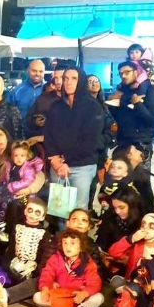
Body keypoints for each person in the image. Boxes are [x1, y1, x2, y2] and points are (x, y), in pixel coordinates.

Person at [44, 66, 104, 210]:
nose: (68, 82)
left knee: (77, 209)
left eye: (73, 78)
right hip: (57, 166)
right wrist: (55, 160)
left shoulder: (93, 107)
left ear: (81, 81)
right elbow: (48, 135)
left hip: (82, 166)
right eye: (66, 78)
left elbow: (91, 141)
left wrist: (64, 160)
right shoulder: (56, 107)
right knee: (58, 209)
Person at [32, 229, 104, 307]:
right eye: (65, 243)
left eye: (72, 243)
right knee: (37, 296)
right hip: (60, 296)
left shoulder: (88, 263)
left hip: (78, 299)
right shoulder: (56, 258)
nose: (68, 246)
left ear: (81, 247)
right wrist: (45, 289)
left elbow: (95, 283)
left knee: (99, 297)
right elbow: (47, 274)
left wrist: (84, 293)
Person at [110, 59, 154, 157]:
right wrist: (111, 104)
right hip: (123, 140)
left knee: (140, 172)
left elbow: (151, 120)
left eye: (127, 72)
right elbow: (119, 117)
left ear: (136, 73)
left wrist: (137, 104)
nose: (123, 76)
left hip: (140, 143)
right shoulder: (121, 91)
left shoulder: (149, 90)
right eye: (120, 74)